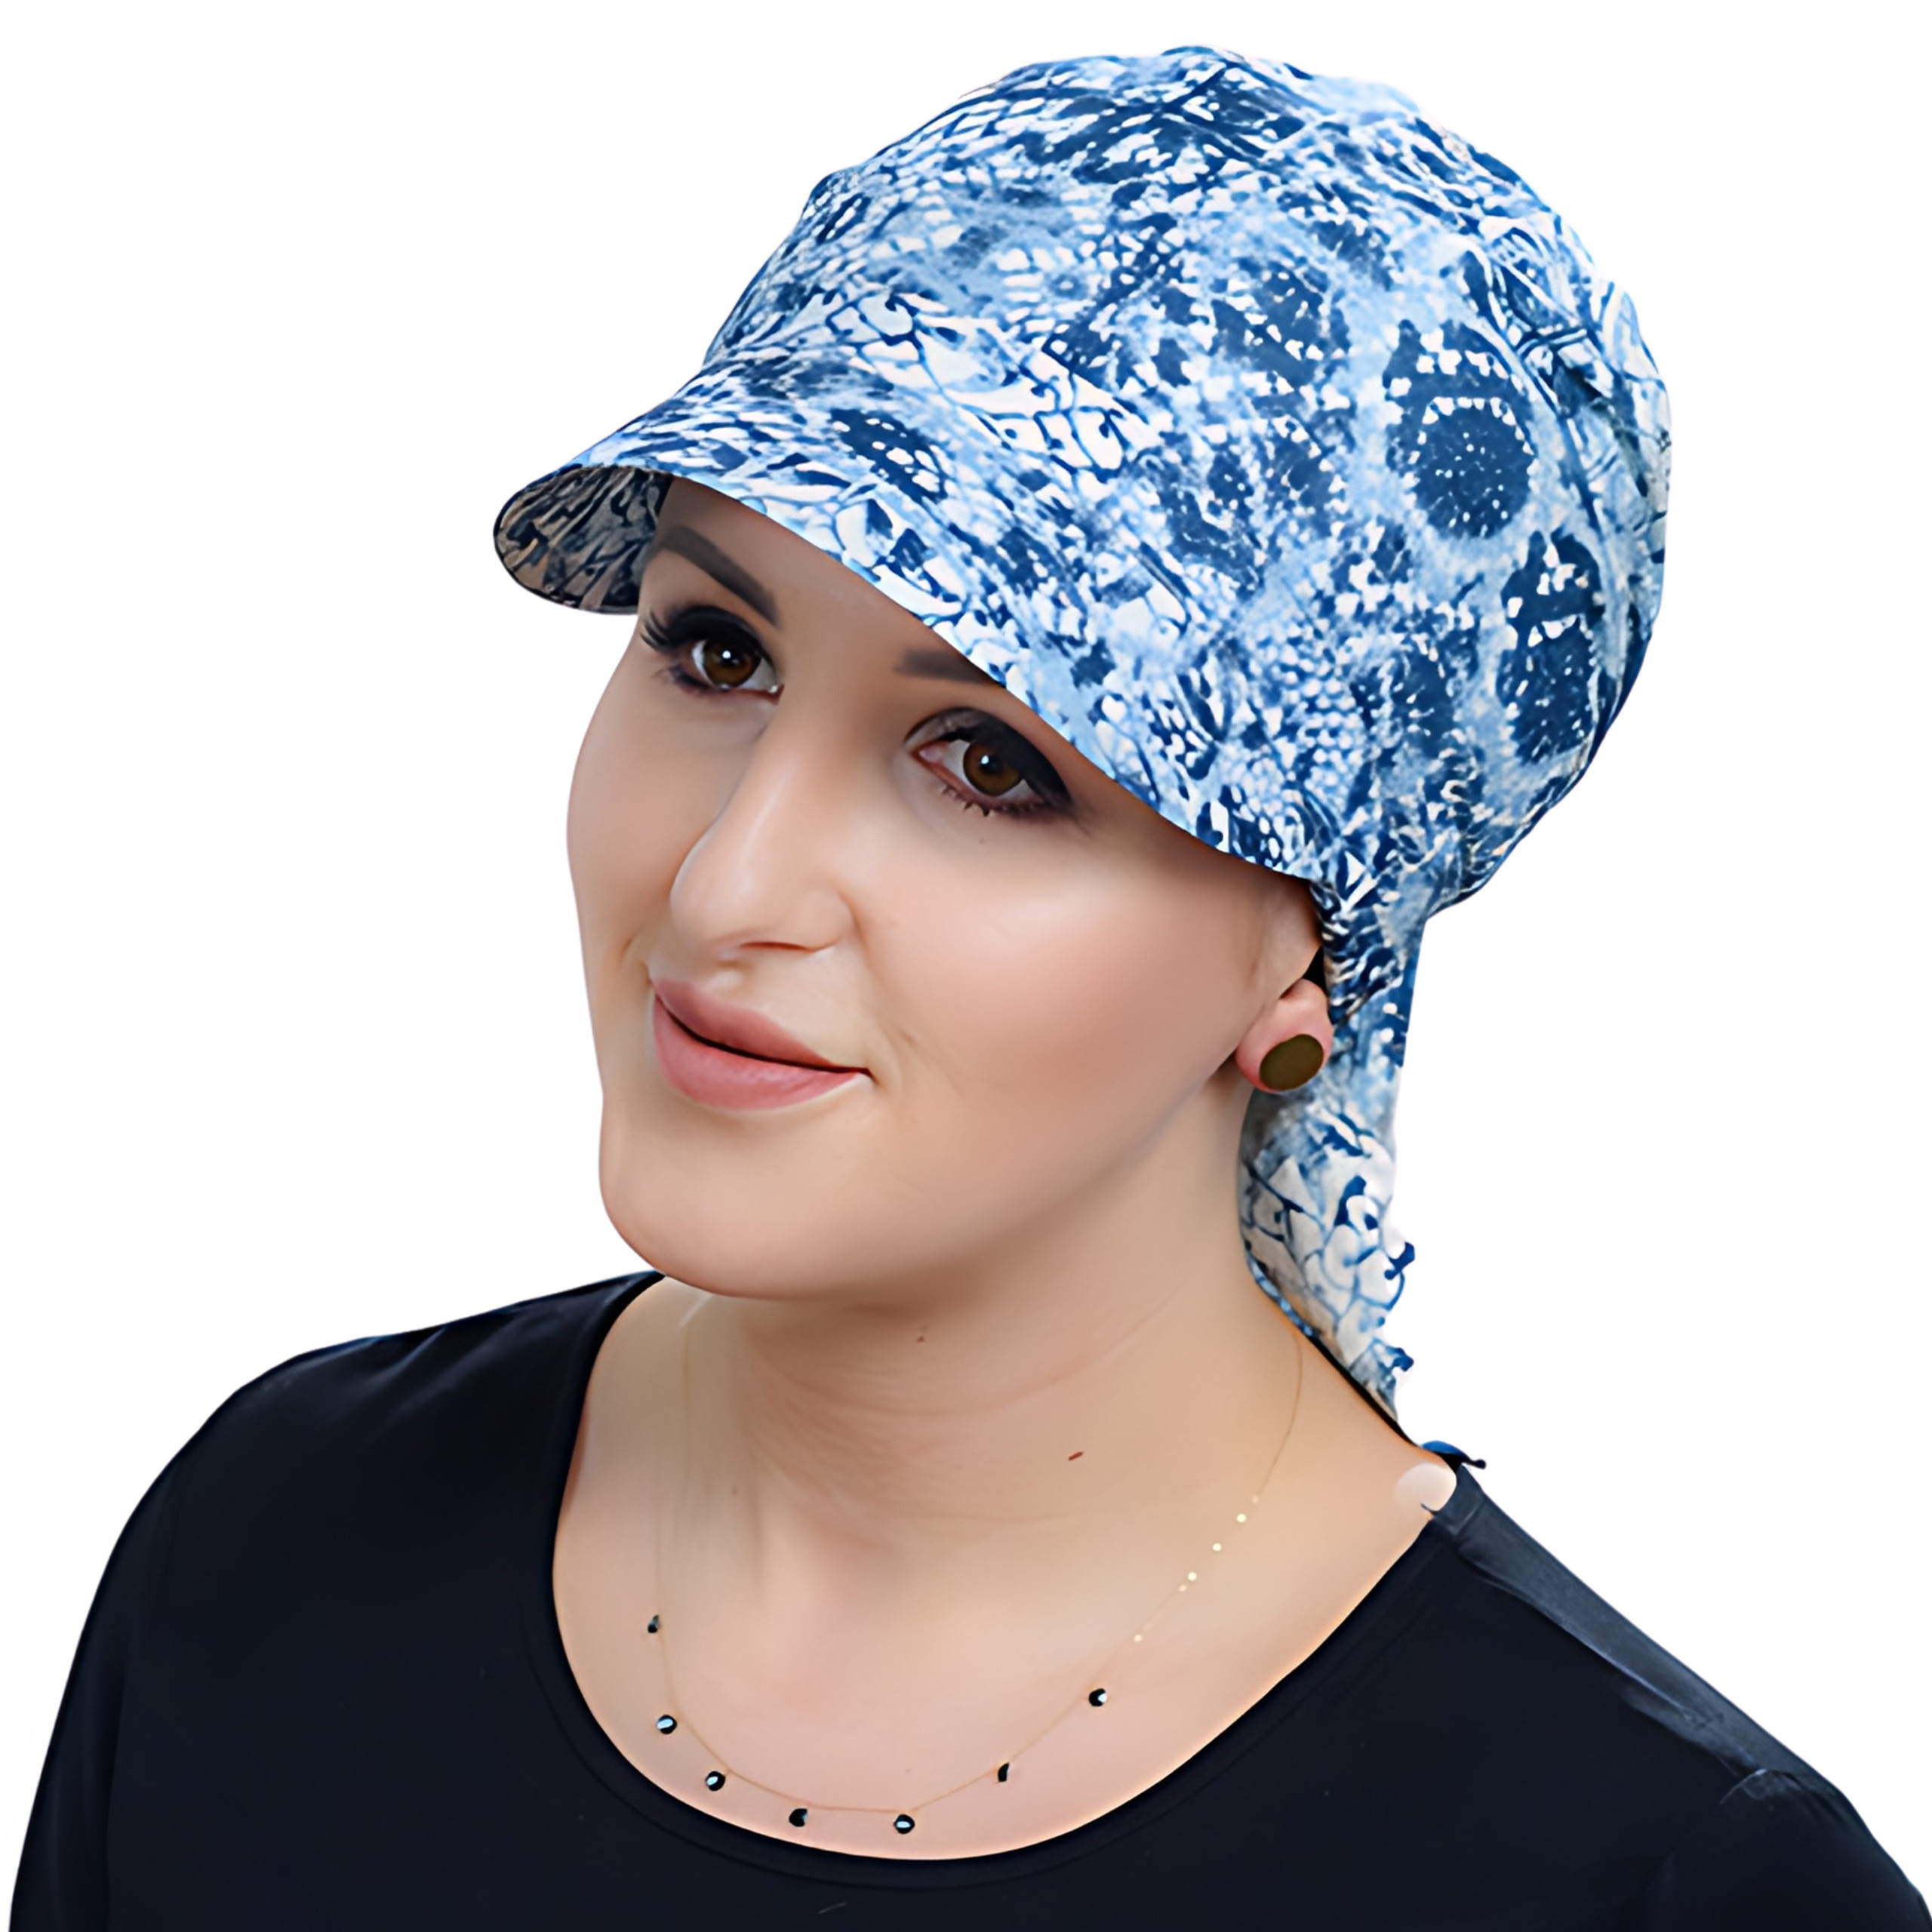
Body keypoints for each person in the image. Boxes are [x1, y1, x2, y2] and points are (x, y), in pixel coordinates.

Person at [13, 46, 1924, 1928]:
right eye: (714, 647)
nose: (725, 879)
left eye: (994, 762)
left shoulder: (1666, 1886)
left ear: (1308, 943)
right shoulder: (272, 1548)